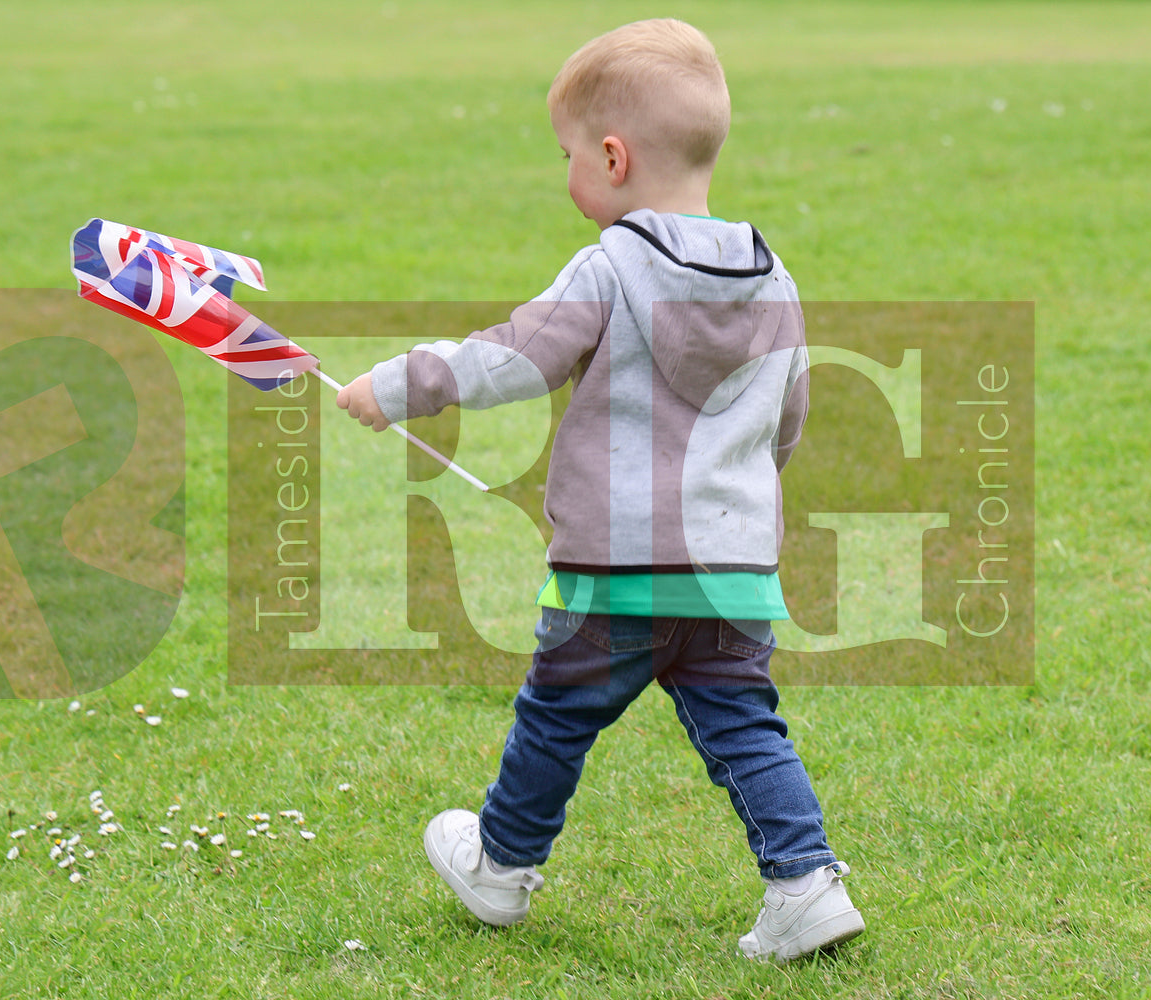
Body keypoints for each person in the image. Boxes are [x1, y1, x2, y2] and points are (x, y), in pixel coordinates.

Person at [335, 18, 863, 961]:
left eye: (567, 153)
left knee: (556, 717)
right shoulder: (773, 274)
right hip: (731, 571)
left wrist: (399, 385)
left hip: (611, 572)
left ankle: (500, 867)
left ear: (613, 158)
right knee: (745, 726)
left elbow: (518, 358)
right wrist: (743, 507)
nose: (565, 171)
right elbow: (792, 409)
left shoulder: (611, 265)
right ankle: (805, 882)